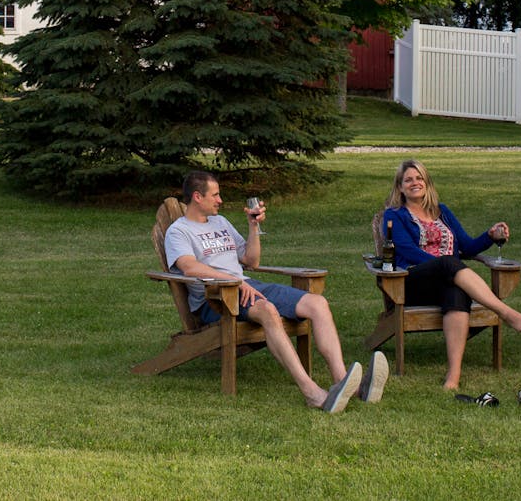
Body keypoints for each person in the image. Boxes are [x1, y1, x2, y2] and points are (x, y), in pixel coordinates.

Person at [164, 170, 387, 412]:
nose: (220, 200)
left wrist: (253, 227)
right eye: (215, 195)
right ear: (197, 196)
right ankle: (311, 392)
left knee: (317, 304)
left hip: (246, 285)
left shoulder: (221, 222)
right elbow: (188, 267)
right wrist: (234, 281)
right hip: (216, 298)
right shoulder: (179, 231)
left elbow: (252, 260)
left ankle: (344, 382)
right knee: (268, 311)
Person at [381, 159, 521, 390]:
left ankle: (453, 377)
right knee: (449, 266)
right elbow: (407, 251)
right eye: (408, 180)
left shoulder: (442, 212)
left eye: (419, 178)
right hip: (411, 283)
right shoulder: (394, 215)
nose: (415, 183)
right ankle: (506, 312)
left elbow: (467, 247)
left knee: (456, 291)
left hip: (448, 279)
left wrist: (490, 236)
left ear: (427, 183)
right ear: (400, 187)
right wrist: (444, 265)